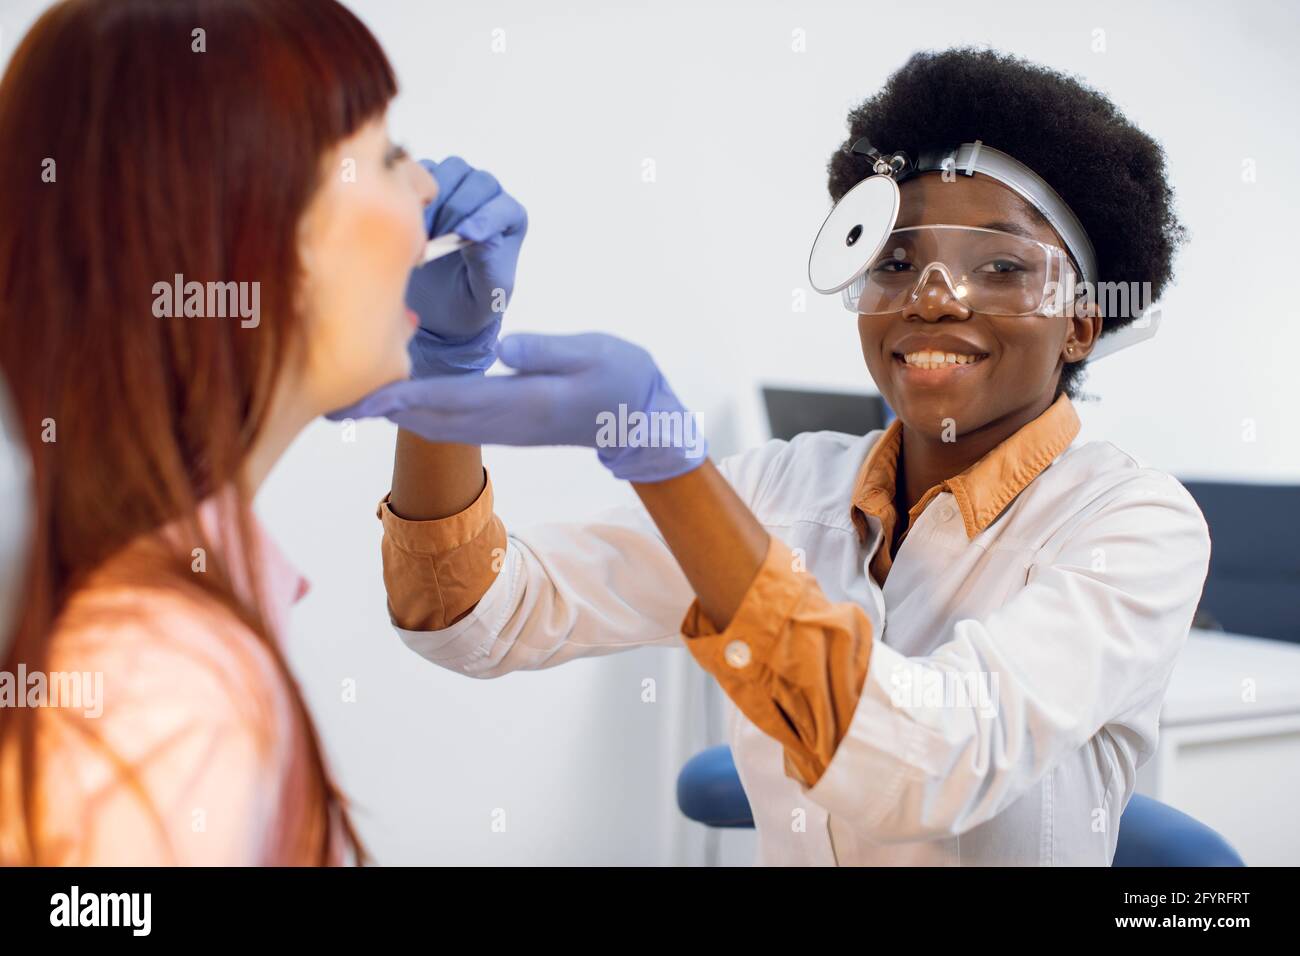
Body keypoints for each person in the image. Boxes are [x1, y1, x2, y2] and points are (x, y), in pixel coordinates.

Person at [342, 47, 1211, 865]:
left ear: (1082, 324)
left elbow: (932, 763)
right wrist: (443, 373)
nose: (934, 300)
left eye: (1003, 267)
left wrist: (669, 467)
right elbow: (476, 620)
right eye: (897, 260)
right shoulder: (785, 491)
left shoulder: (1136, 526)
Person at [0, 0, 525, 864]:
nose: (428, 188)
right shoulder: (162, 690)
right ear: (261, 234)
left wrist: (449, 380)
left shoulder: (158, 611)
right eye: (387, 155)